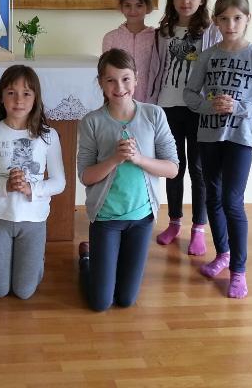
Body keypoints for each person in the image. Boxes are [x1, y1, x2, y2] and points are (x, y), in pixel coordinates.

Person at [183, 0, 252, 299]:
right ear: (215, 21)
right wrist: (208, 105)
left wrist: (240, 108)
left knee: (232, 201)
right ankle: (222, 254)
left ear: (248, 19)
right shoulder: (207, 56)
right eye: (224, 19)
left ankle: (239, 271)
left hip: (240, 139)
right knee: (212, 196)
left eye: (237, 18)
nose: (230, 25)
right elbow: (190, 94)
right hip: (209, 137)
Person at [77, 49, 178, 312]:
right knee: (101, 303)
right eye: (110, 80)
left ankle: (107, 263)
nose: (119, 87)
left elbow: (172, 169)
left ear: (136, 79)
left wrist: (139, 158)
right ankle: (87, 259)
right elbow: (85, 176)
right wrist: (114, 159)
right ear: (101, 83)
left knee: (126, 299)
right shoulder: (91, 122)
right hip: (106, 220)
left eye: (125, 79)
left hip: (141, 220)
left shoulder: (154, 115)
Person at [0, 65, 65, 299]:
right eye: (11, 93)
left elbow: (59, 182)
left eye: (26, 93)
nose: (19, 100)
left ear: (36, 98)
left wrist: (31, 188)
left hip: (33, 221)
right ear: (1, 97)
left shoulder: (48, 135)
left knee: (24, 291)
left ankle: (35, 260)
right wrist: (5, 186)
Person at [148, 0, 222, 256]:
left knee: (199, 170)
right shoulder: (163, 32)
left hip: (199, 108)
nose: (186, 1)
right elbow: (157, 67)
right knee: (173, 167)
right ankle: (174, 222)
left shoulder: (211, 32)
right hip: (168, 105)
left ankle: (199, 228)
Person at [102, 0, 156, 104]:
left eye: (139, 5)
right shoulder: (110, 38)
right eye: (127, 5)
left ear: (147, 7)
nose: (133, 10)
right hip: (119, 99)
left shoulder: (157, 38)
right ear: (121, 7)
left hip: (150, 101)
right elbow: (107, 73)